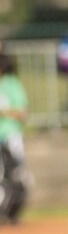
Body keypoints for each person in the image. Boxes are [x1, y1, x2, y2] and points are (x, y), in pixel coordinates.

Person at [0, 49, 30, 223]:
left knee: (17, 173)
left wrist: (4, 112)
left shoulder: (11, 84)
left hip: (11, 136)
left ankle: (13, 210)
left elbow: (22, 112)